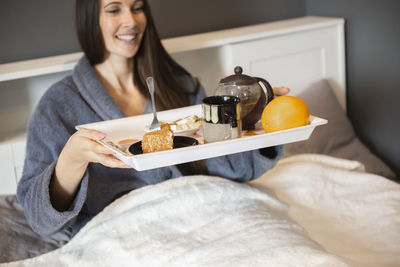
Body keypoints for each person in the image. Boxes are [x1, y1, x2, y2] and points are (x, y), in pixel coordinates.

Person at [17, 0, 289, 242]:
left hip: (201, 213)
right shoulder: (58, 105)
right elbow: (39, 220)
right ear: (91, 19)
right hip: (120, 232)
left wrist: (257, 120)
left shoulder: (179, 86)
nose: (131, 21)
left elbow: (230, 168)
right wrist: (72, 160)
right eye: (114, 9)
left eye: (138, 8)